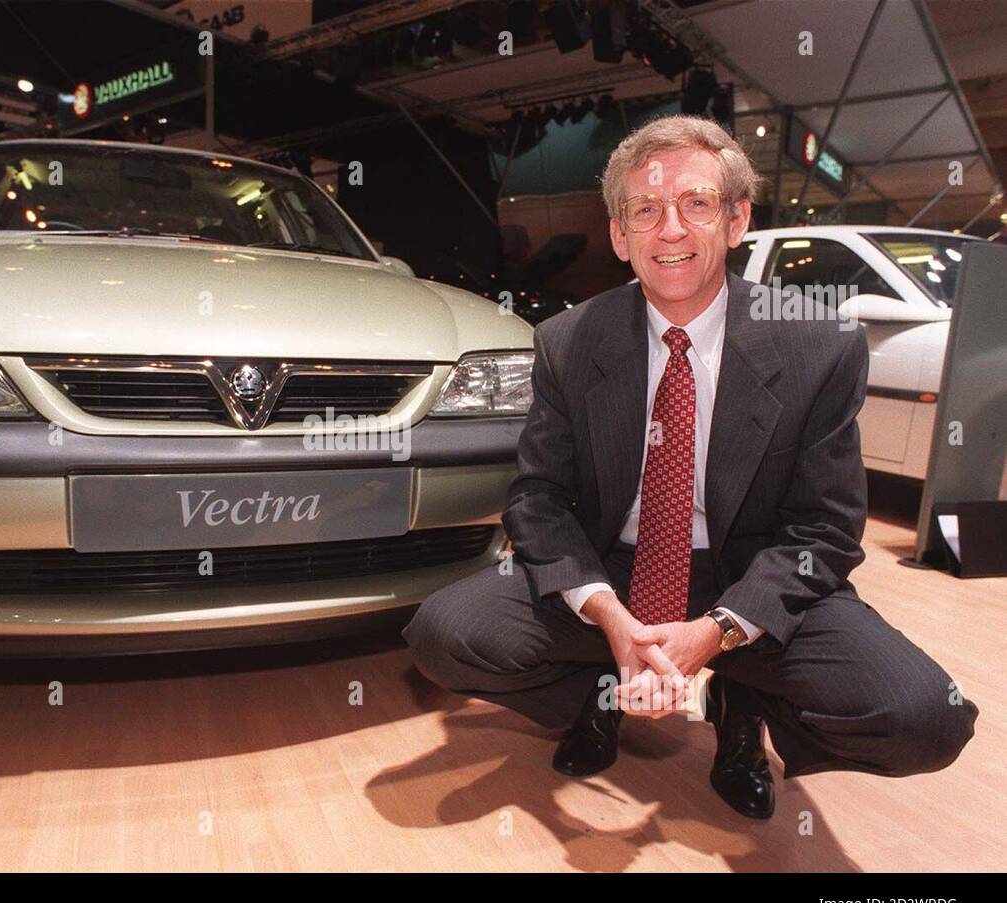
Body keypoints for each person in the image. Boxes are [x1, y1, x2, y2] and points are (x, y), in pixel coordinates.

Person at [403, 115, 977, 819]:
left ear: (737, 220)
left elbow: (824, 533)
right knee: (443, 633)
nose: (669, 229)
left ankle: (745, 703)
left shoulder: (818, 345)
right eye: (644, 210)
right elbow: (540, 501)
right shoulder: (566, 341)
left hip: (750, 574)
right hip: (612, 571)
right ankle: (600, 690)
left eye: (696, 204)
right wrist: (609, 615)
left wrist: (718, 632)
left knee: (925, 718)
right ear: (619, 235)